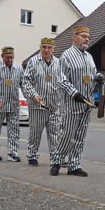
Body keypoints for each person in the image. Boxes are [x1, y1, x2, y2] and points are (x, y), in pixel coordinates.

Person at [50, 26, 104, 177]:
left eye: (88, 36)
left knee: (80, 136)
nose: (87, 39)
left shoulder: (89, 56)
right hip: (72, 103)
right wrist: (74, 93)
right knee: (67, 135)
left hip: (87, 103)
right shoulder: (66, 56)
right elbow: (60, 79)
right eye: (83, 36)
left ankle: (74, 165)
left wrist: (98, 77)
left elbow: (92, 75)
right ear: (74, 37)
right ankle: (56, 161)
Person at [22, 37, 65, 167]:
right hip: (37, 105)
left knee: (55, 134)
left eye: (49, 47)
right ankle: (32, 155)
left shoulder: (59, 63)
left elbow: (63, 81)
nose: (46, 50)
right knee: (35, 132)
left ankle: (55, 158)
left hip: (54, 105)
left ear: (53, 49)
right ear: (40, 47)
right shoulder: (33, 62)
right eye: (44, 47)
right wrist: (33, 95)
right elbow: (26, 81)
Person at [0, 46, 24, 161]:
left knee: (14, 129)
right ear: (2, 56)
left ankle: (12, 153)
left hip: (13, 104)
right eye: (7, 57)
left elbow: (23, 84)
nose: (9, 60)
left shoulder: (18, 68)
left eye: (11, 57)